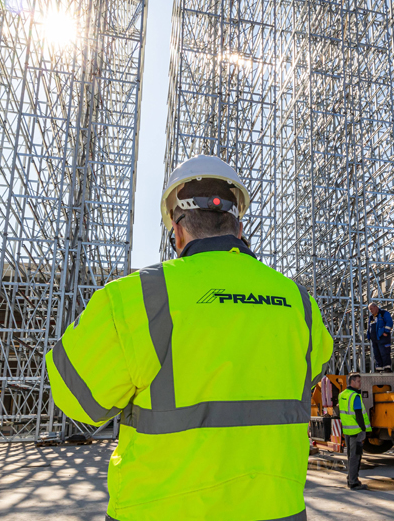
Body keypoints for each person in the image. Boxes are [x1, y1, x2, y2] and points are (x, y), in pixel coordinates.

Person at [46, 155, 333, 521]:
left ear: (177, 231)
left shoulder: (137, 298)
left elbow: (77, 401)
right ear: (239, 228)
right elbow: (310, 372)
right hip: (277, 513)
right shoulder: (300, 304)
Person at [337, 373, 370, 490]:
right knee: (356, 456)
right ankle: (353, 482)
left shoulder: (342, 395)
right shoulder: (355, 396)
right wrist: (363, 429)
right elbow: (358, 414)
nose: (360, 383)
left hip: (347, 430)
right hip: (356, 431)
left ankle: (350, 478)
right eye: (358, 381)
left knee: (351, 456)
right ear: (352, 382)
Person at [365, 302, 393, 372]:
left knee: (384, 353)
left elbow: (389, 322)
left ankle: (387, 368)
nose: (370, 311)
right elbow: (369, 327)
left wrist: (386, 331)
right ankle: (379, 368)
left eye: (371, 309)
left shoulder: (383, 313)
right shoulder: (371, 317)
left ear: (376, 307)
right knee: (377, 354)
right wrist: (369, 336)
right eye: (369, 309)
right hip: (375, 340)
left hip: (382, 338)